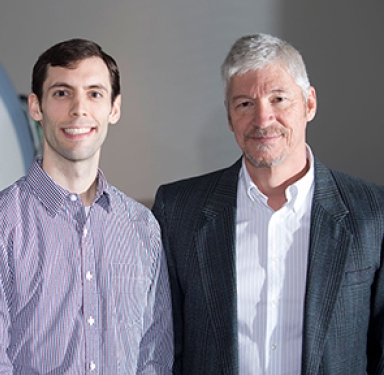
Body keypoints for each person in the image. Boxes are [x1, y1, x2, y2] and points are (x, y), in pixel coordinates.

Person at [152, 33, 384, 374]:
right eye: (245, 104)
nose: (262, 120)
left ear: (309, 104)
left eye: (278, 99)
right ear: (230, 118)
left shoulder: (372, 212)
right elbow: (162, 346)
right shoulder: (178, 210)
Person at [0, 38, 174, 374]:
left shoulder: (142, 227)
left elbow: (153, 357)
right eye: (62, 93)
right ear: (36, 107)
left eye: (94, 93)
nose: (79, 109)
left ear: (114, 108)